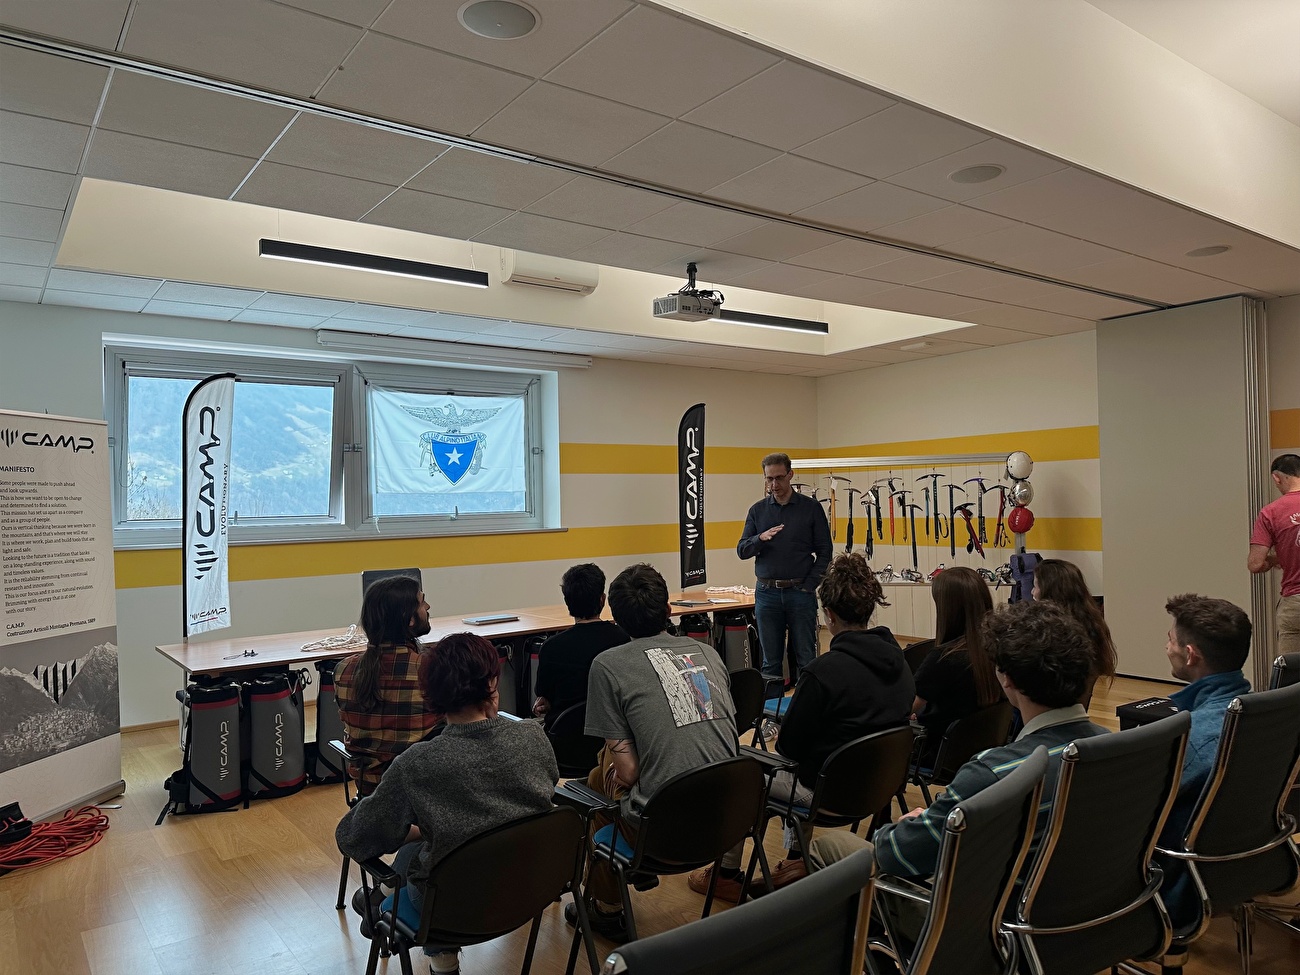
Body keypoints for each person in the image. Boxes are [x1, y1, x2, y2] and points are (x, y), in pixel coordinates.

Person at [805, 601, 1108, 927]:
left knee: (829, 846)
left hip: (990, 928)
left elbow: (894, 856)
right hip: (1092, 919)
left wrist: (911, 827)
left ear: (1007, 679)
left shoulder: (993, 774)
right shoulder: (1116, 749)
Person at [688, 552, 915, 902]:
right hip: (877, 785)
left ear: (829, 615)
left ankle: (726, 874)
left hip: (827, 794)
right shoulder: (899, 658)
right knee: (817, 758)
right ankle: (795, 860)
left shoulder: (823, 673)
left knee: (742, 772)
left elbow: (788, 750)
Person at [335, 632, 558, 975]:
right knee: (437, 845)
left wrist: (414, 829)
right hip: (532, 886)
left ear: (430, 695)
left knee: (436, 855)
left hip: (452, 907)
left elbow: (353, 837)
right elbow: (542, 790)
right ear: (492, 683)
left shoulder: (417, 764)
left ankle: (403, 920)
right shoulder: (532, 735)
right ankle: (383, 897)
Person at [569, 562, 738, 940]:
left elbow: (628, 773)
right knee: (598, 776)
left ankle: (607, 908)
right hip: (729, 816)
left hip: (661, 832)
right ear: (668, 610)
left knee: (598, 785)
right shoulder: (707, 652)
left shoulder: (608, 665)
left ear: (617, 619)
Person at [1156, 593, 1253, 927]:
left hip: (1185, 886)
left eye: (1170, 640)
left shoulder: (1193, 739)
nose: (1167, 647)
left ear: (1190, 654)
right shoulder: (1263, 714)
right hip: (1254, 856)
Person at [335, 575, 440, 795]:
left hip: (370, 791)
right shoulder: (431, 669)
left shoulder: (343, 669)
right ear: (409, 619)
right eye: (422, 602)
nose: (428, 606)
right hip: (422, 792)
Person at [737, 452, 833, 687]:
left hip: (800, 592)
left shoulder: (810, 508)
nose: (774, 485)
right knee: (770, 662)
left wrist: (809, 585)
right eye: (769, 479)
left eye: (779, 478)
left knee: (806, 658)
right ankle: (771, 709)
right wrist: (760, 538)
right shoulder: (758, 511)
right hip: (767, 593)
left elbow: (825, 552)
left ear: (790, 475)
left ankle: (807, 705)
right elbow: (742, 550)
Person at [912, 566, 1001, 767]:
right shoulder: (998, 647)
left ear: (948, 610)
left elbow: (904, 709)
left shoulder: (945, 658)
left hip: (937, 754)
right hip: (980, 750)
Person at [531, 563, 628, 729]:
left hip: (564, 735)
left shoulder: (551, 647)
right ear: (603, 599)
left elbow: (544, 694)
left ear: (567, 601)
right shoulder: (624, 639)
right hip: (612, 730)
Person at [1033, 558, 1118, 707]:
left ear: (1049, 591)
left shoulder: (1049, 635)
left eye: (1035, 586)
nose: (1032, 592)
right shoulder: (1092, 625)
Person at [1249, 453, 1300, 655]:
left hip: (1295, 601)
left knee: (1293, 668)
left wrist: (1275, 559)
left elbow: (1255, 564)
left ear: (1276, 478)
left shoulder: (1270, 512)